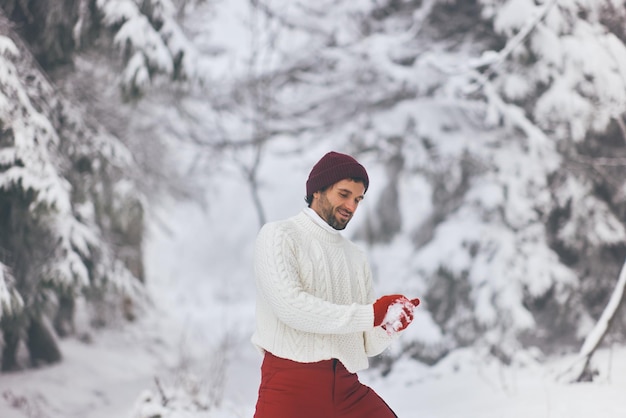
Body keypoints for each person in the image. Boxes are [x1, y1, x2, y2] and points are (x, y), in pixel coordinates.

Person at [251, 151, 420, 418]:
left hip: (345, 389)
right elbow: (290, 307)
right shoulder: (279, 235)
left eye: (358, 199)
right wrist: (371, 313)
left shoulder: (355, 256)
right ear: (318, 190)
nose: (351, 206)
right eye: (344, 194)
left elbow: (365, 343)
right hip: (290, 388)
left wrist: (389, 325)